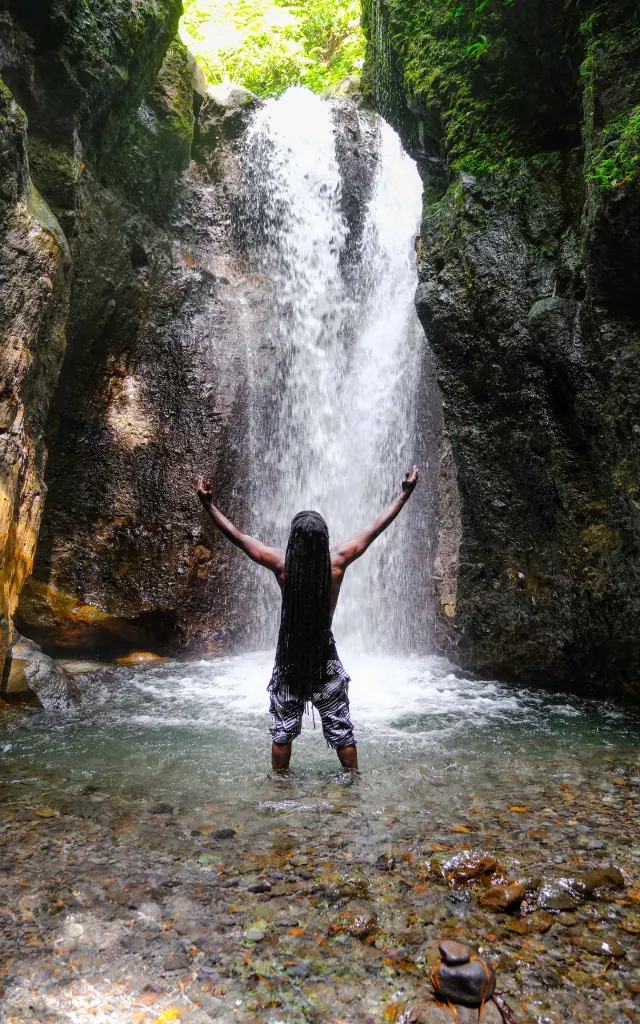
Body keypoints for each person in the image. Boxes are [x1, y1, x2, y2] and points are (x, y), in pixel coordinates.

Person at [195, 467, 419, 772]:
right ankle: (353, 780)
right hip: (324, 657)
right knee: (342, 730)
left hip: (290, 658)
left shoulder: (282, 565)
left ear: (294, 540)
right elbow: (375, 527)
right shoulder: (337, 561)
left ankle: (279, 783)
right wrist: (404, 493)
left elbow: (238, 538)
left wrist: (208, 505)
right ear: (324, 537)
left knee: (282, 733)